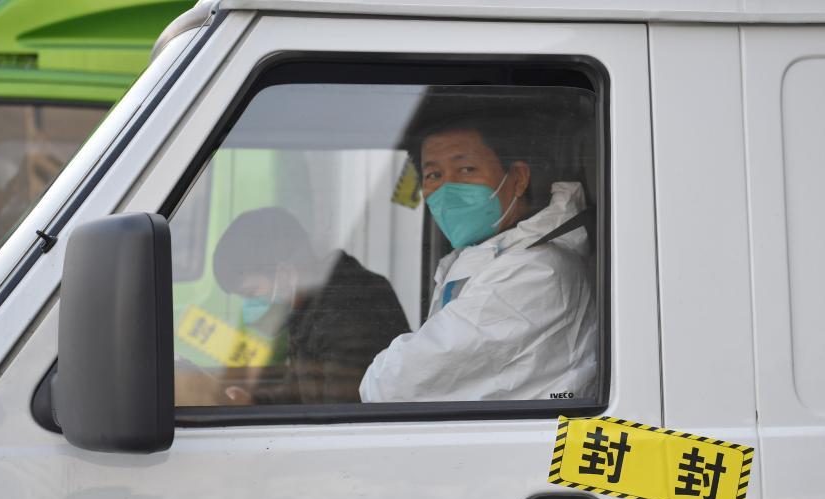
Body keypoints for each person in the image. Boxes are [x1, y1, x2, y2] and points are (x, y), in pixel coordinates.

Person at [359, 118, 597, 402]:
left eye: (466, 169)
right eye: (433, 175)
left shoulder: (535, 271)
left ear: (518, 178)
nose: (447, 188)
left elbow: (395, 386)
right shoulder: (484, 259)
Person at [211, 207, 410, 404]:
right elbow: (300, 392)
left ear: (284, 273)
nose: (250, 305)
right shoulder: (309, 309)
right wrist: (254, 402)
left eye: (252, 291)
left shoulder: (346, 311)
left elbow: (341, 413)